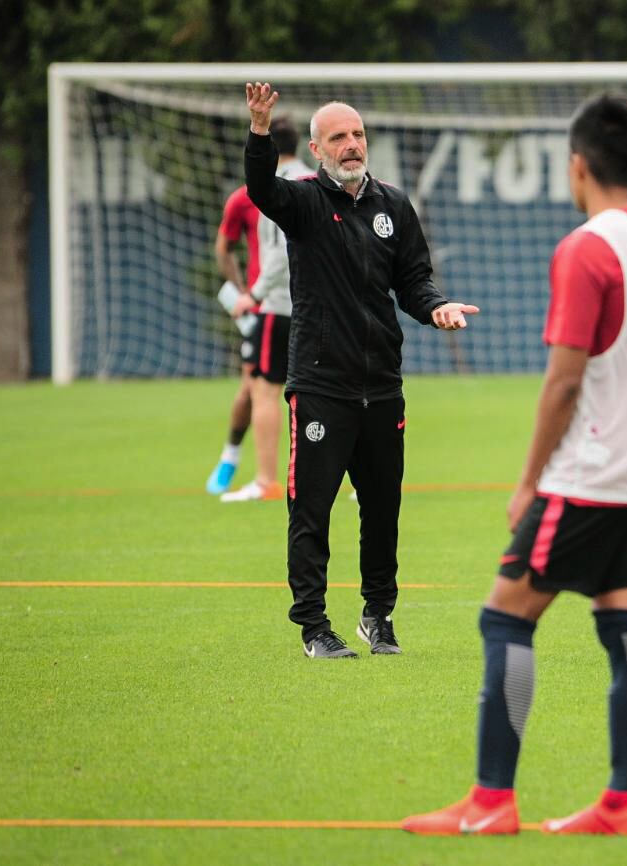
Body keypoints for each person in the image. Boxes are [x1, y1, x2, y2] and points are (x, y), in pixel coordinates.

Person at [402, 93, 627, 836]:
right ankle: (623, 803)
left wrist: (529, 481)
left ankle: (491, 802)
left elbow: (565, 381)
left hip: (591, 474)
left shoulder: (584, 249)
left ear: (577, 166)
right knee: (624, 619)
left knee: (503, 615)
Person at [243, 82, 480, 659]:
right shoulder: (301, 205)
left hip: (384, 389)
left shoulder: (393, 206)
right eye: (339, 138)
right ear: (317, 149)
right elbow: (259, 189)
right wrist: (258, 130)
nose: (352, 146)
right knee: (312, 509)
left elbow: (414, 281)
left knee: (382, 510)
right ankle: (314, 627)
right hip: (322, 387)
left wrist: (435, 308)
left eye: (358, 135)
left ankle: (378, 616)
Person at [222, 116, 307, 503]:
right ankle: (358, 482)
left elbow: (279, 253)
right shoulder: (319, 180)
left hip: (280, 305)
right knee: (335, 392)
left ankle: (266, 481)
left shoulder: (275, 188)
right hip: (320, 305)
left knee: (265, 391)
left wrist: (253, 295)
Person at [205, 178, 262, 494]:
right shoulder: (243, 199)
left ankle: (350, 473)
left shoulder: (308, 188)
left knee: (328, 390)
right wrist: (241, 291)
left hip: (306, 307)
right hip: (261, 309)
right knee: (251, 388)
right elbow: (224, 247)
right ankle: (230, 456)